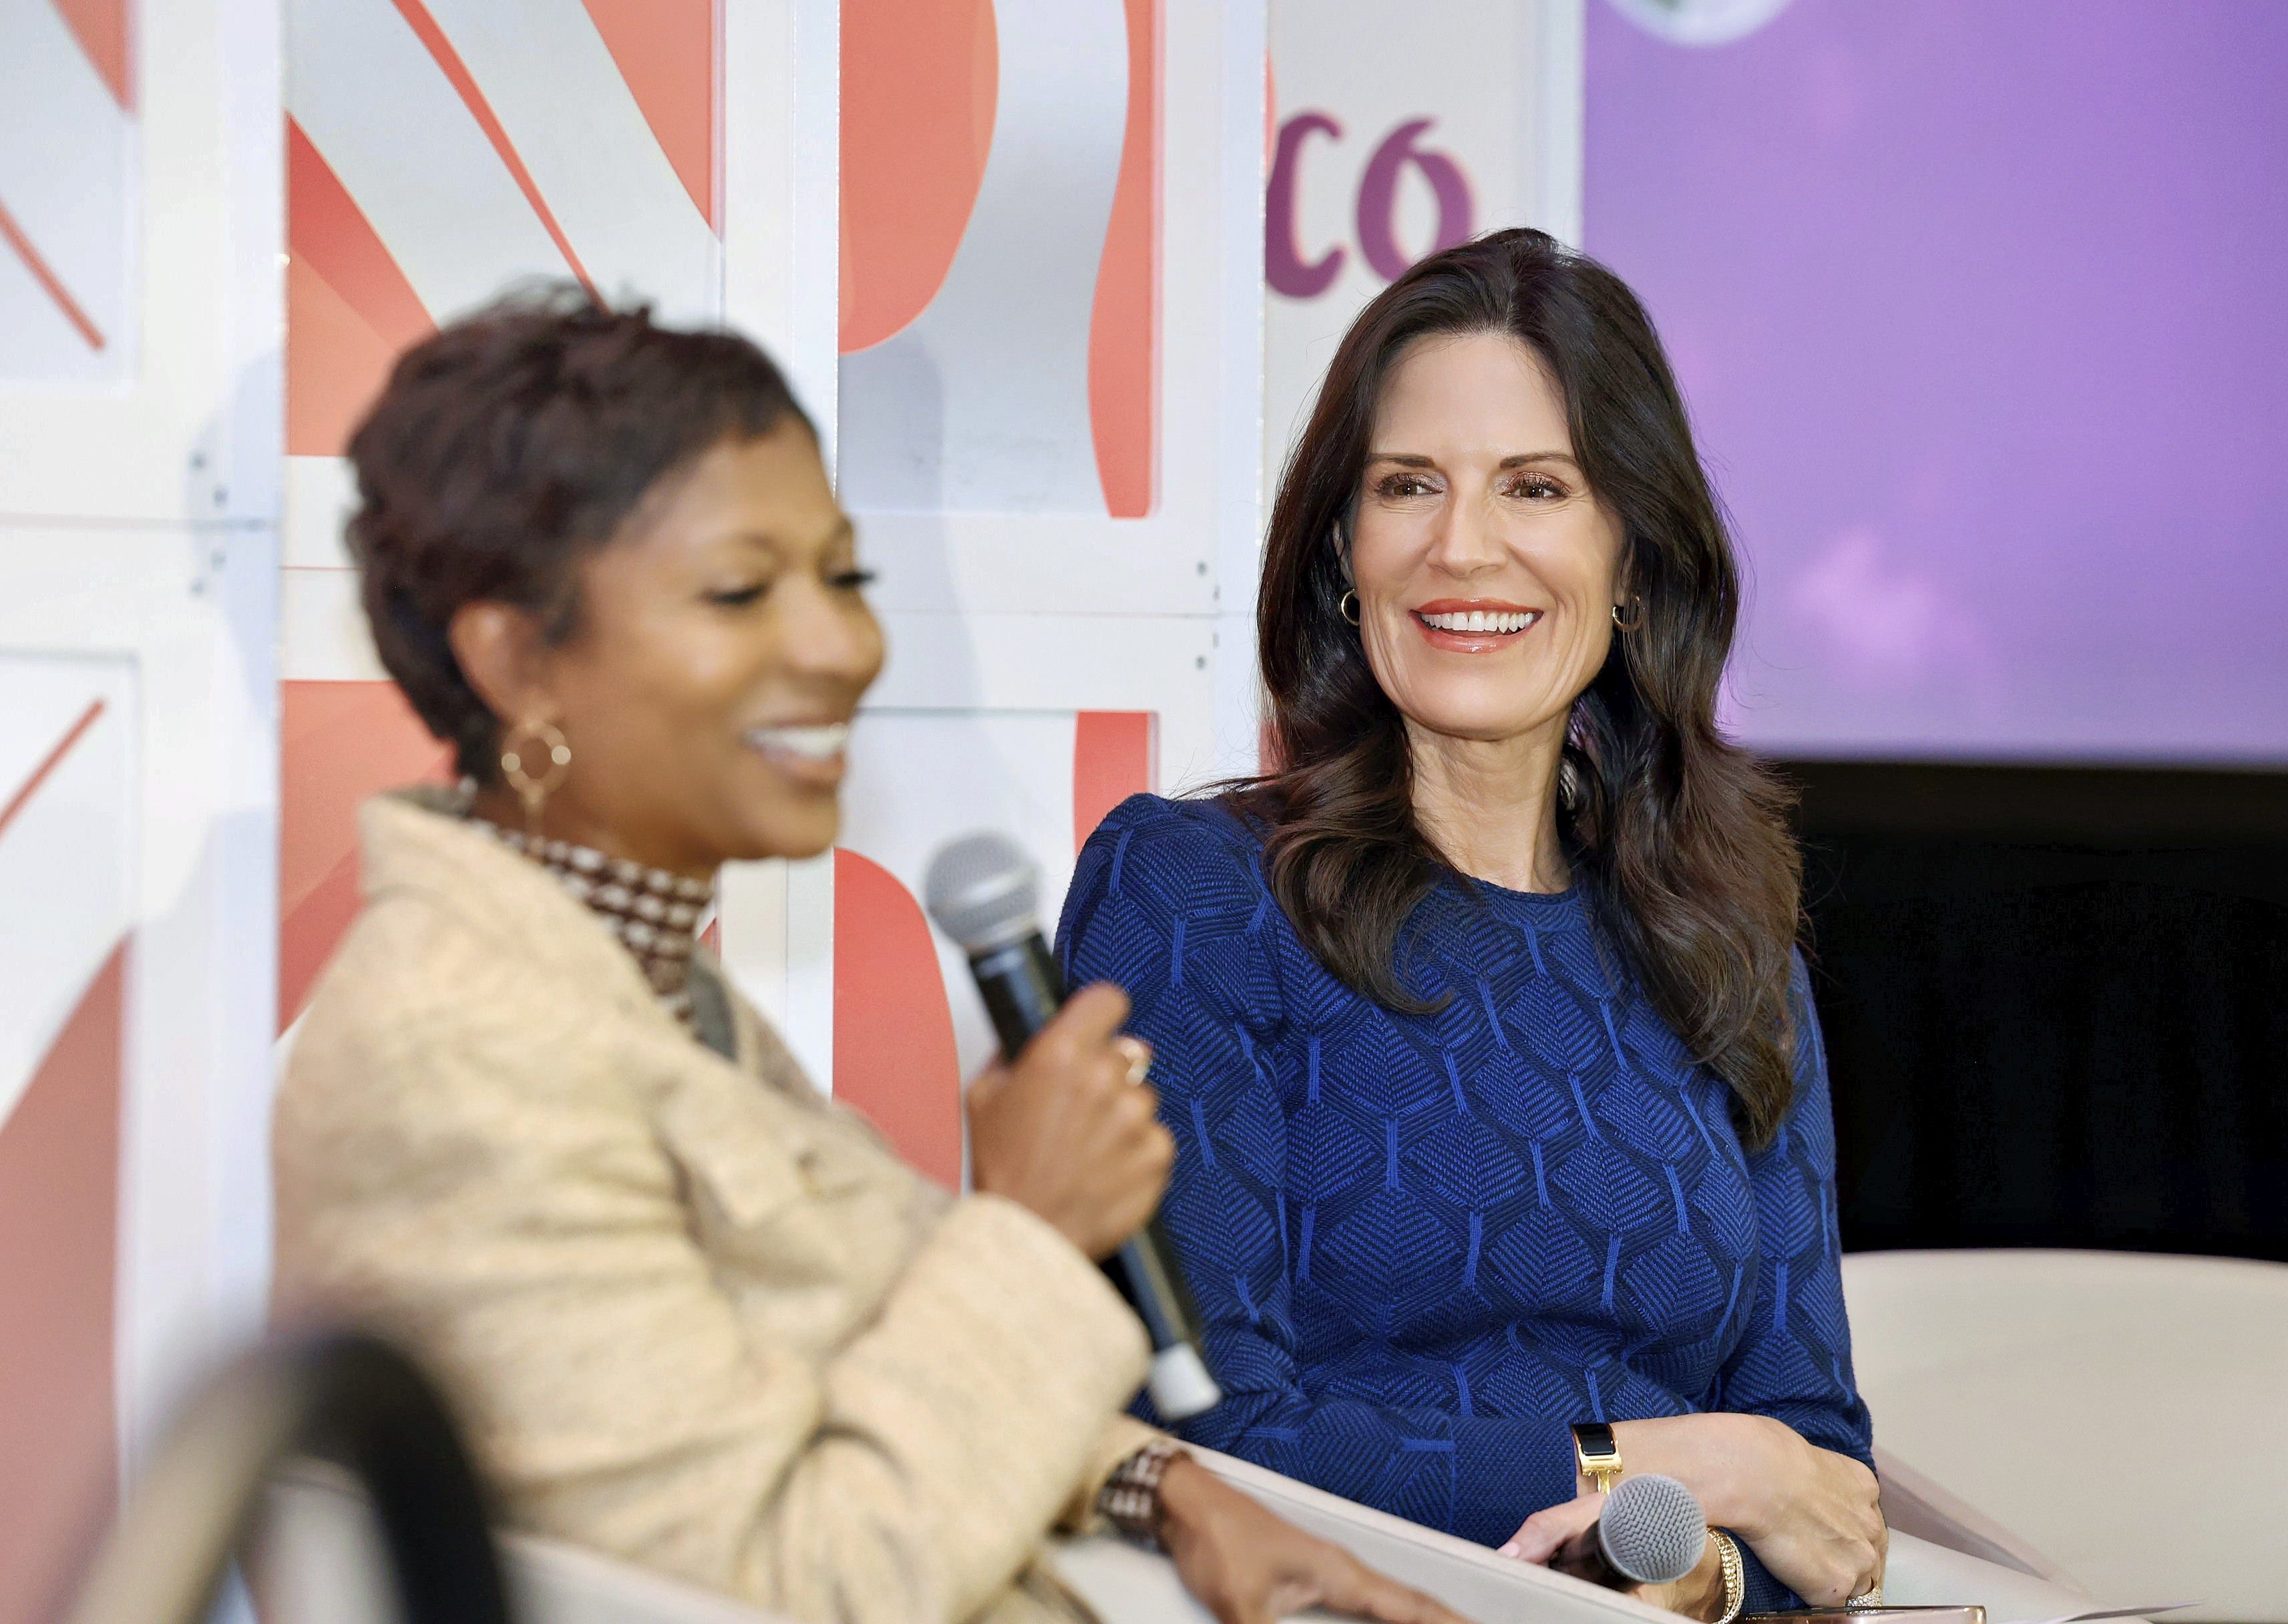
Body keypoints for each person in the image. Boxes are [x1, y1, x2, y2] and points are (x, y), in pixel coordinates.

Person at [271, 293, 1466, 1624]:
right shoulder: (457, 1051)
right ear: (515, 660)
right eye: (740, 591)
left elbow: (878, 1354)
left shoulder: (640, 982)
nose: (845, 647)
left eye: (844, 578)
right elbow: (798, 1582)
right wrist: (1028, 1222)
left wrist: (1165, 1491)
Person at [1057, 229, 1885, 1622]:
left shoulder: (1734, 953)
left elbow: (1823, 1482)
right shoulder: (1195, 896)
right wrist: (1669, 1466)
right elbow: (1198, 1430)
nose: (1461, 545)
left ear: (1632, 558)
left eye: (1537, 487)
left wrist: (1698, 1558)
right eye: (1407, 486)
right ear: (1343, 549)